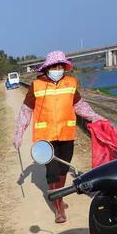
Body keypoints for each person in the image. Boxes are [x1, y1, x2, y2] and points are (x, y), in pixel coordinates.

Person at [13, 50, 105, 223]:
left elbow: (79, 105)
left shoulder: (70, 83)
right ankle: (59, 208)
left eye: (60, 66)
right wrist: (18, 133)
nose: (57, 69)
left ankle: (59, 198)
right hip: (46, 138)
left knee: (63, 170)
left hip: (66, 134)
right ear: (47, 68)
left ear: (64, 67)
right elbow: (26, 110)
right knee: (53, 172)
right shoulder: (37, 85)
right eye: (54, 66)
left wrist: (96, 117)